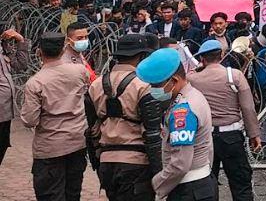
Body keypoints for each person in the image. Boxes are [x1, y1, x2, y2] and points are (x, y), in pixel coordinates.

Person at [84, 34, 163, 201]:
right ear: (142, 56)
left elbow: (92, 130)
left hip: (107, 162)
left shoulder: (96, 85)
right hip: (137, 163)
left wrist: (97, 163)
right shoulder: (144, 86)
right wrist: (159, 173)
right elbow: (152, 134)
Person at [136, 47, 216, 200]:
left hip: (188, 189)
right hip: (199, 184)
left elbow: (180, 164)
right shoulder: (194, 95)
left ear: (174, 80)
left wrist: (155, 184)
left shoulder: (183, 112)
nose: (153, 90)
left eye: (156, 85)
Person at [21, 32, 91, 201]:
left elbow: (30, 120)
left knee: (51, 195)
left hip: (50, 147)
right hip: (77, 142)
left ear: (39, 52)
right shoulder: (80, 71)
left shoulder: (36, 82)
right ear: (63, 49)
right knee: (72, 193)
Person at [188, 40, 261, 201]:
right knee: (240, 182)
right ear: (221, 55)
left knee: (206, 182)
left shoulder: (193, 79)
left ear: (202, 59)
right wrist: (254, 134)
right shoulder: (234, 75)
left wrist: (199, 68)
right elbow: (248, 108)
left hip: (204, 138)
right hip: (232, 136)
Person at [0, 27, 29, 166]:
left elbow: (21, 65)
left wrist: (21, 41)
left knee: (3, 144)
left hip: (5, 111)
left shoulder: (3, 47)